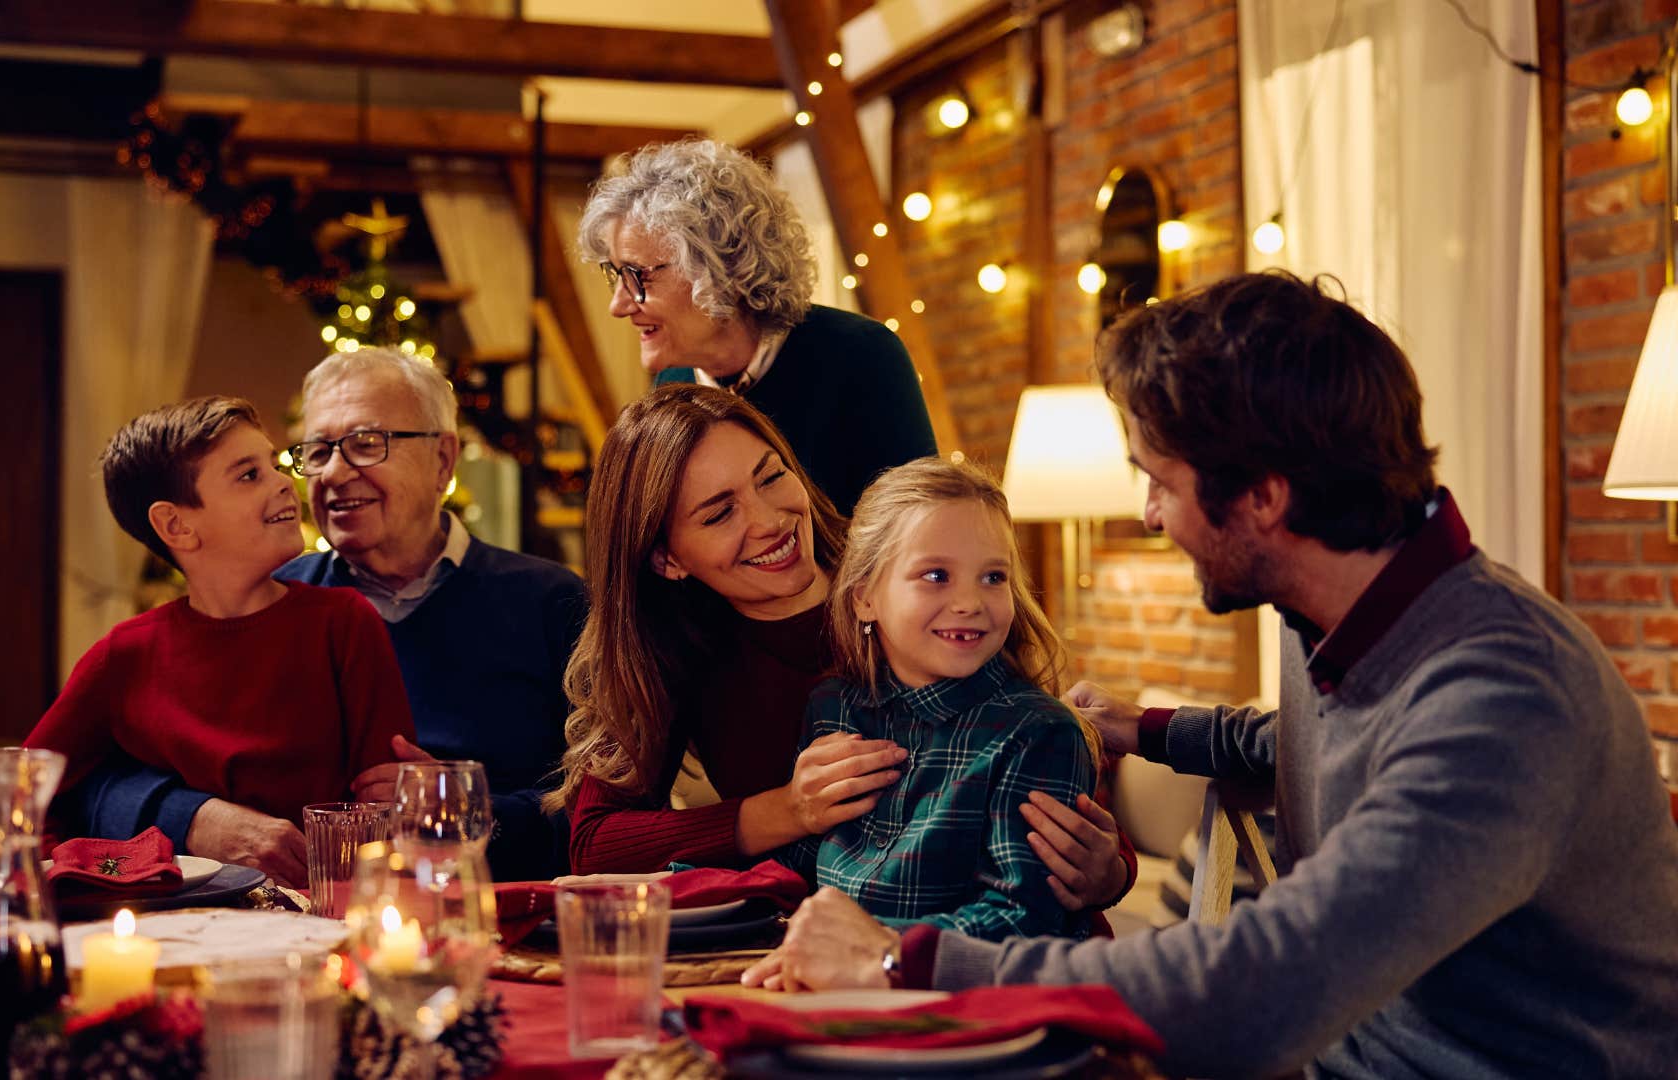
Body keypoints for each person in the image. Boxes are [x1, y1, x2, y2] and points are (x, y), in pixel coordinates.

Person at [745, 272, 1678, 1078]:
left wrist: (903, 964)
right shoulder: (1346, 620)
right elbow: (1311, 741)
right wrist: (1146, 729)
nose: (1151, 514)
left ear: (1263, 496)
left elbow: (1267, 986)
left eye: (1160, 480)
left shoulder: (1505, 695)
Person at [549, 384, 1132, 924]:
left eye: (771, 476)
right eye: (720, 513)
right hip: (836, 947)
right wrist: (787, 811)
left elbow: (1028, 752)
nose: (770, 520)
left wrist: (1115, 866)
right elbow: (596, 844)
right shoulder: (677, 647)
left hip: (980, 952)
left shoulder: (917, 572)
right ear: (668, 559)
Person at [72, 351, 587, 884]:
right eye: (317, 451)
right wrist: (193, 817)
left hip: (493, 906)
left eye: (367, 443)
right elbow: (80, 783)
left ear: (443, 459)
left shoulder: (553, 602)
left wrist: (473, 814)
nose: (334, 473)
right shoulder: (263, 605)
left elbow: (614, 810)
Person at [27, 396, 414, 866]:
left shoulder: (344, 622)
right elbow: (22, 799)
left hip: (324, 900)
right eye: (249, 475)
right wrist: (89, 876)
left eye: (275, 465)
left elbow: (387, 805)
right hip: (180, 909)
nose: (284, 482)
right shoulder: (123, 655)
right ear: (176, 525)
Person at [762, 458, 1101, 946]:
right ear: (865, 598)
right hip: (830, 975)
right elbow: (802, 866)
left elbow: (1024, 919)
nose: (970, 603)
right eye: (937, 575)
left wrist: (871, 944)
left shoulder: (1038, 733)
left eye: (993, 577)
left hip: (963, 986)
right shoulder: (832, 707)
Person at [577, 138, 937, 518]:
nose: (618, 305)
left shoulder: (860, 355)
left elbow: (920, 530)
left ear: (721, 267)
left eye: (637, 275)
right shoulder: (673, 387)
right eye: (616, 274)